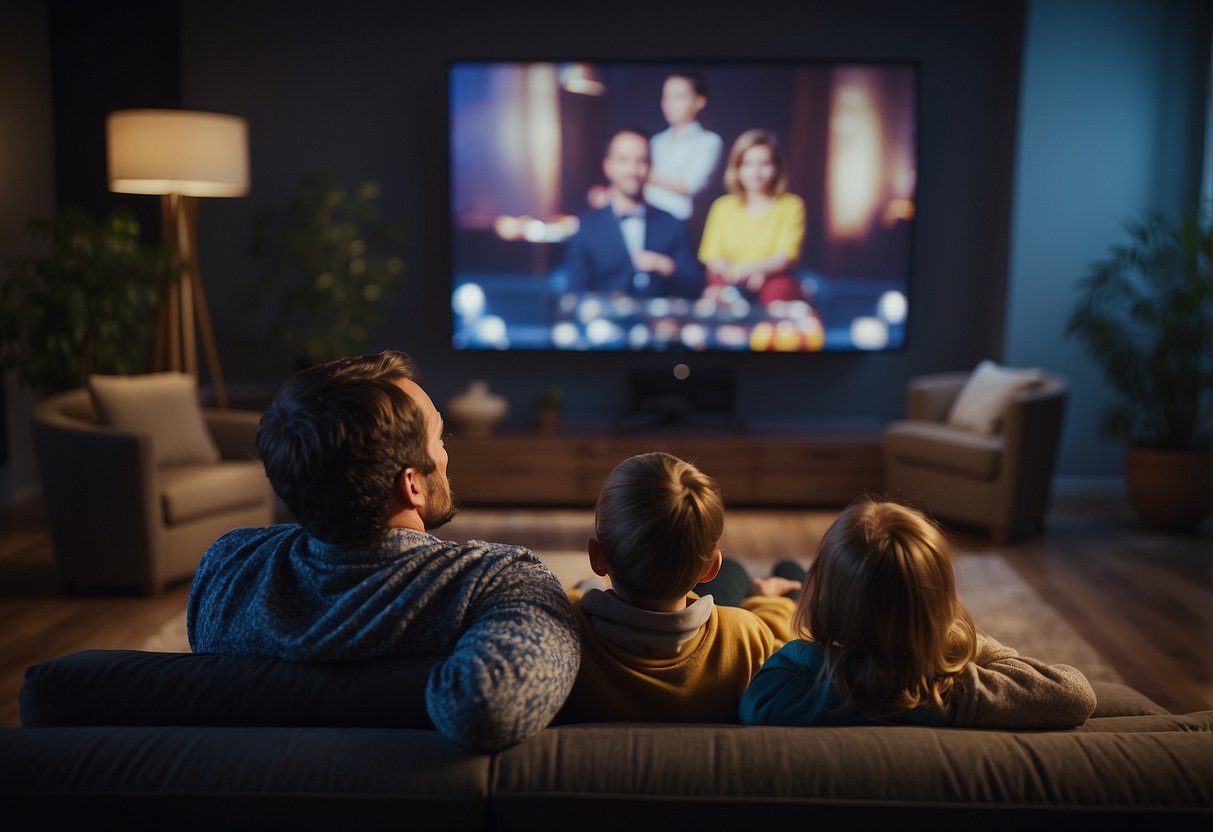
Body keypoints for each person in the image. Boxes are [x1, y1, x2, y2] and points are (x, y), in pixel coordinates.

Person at [187, 350, 580, 750]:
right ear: (410, 484)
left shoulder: (229, 566)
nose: (446, 453)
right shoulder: (500, 582)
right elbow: (489, 711)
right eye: (438, 438)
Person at [739, 497, 1097, 729]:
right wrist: (955, 645)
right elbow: (1075, 692)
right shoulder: (947, 696)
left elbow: (752, 703)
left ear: (826, 602)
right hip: (917, 647)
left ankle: (780, 590)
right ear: (938, 607)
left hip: (832, 631)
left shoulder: (796, 678)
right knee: (789, 575)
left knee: (786, 570)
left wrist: (808, 638)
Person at [558, 452, 802, 724]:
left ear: (597, 556)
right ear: (710, 567)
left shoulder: (566, 624)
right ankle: (777, 583)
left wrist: (584, 591)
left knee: (589, 588)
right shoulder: (745, 634)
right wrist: (768, 603)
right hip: (731, 619)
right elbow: (790, 659)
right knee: (788, 572)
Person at [563, 128, 704, 299]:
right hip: (606, 321)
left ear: (650, 167)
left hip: (661, 322)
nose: (632, 169)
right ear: (608, 166)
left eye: (641, 161)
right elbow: (575, 290)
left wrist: (665, 266)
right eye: (623, 160)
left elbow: (696, 286)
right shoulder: (588, 226)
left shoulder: (672, 223)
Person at [698, 129, 807, 307]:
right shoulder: (722, 207)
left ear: (776, 168)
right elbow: (712, 257)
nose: (756, 172)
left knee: (778, 291)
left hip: (774, 287)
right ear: (737, 168)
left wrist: (754, 272)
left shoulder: (791, 205)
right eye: (748, 164)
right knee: (715, 296)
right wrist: (737, 275)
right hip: (730, 283)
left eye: (764, 164)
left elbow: (784, 258)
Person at [644, 70, 724, 222]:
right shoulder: (656, 141)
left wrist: (647, 176)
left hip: (681, 222)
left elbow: (690, 186)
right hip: (648, 219)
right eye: (666, 97)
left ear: (700, 101)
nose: (669, 104)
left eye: (678, 97)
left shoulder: (708, 142)